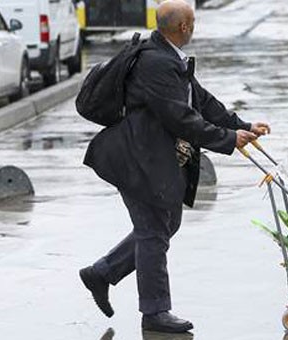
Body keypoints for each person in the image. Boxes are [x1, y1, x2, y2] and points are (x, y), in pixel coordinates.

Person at [79, 0, 270, 334]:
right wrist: (227, 139)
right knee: (153, 231)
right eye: (193, 21)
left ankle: (102, 273)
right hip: (135, 158)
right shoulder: (156, 62)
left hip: (151, 155)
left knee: (166, 224)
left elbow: (201, 101)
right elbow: (179, 117)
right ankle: (155, 311)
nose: (194, 26)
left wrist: (242, 125)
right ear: (185, 27)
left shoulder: (168, 57)